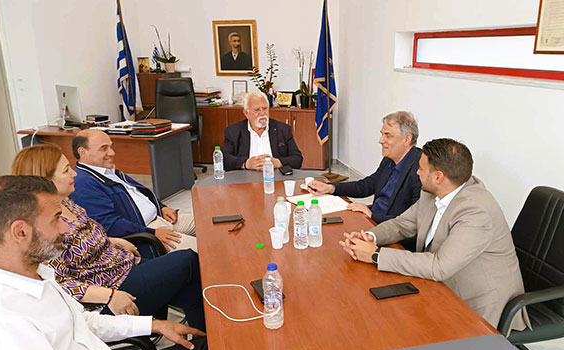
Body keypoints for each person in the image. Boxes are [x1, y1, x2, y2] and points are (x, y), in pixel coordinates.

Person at [0, 175, 210, 350]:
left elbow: (82, 321)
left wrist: (153, 325)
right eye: (56, 219)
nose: (65, 229)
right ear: (20, 232)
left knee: (217, 345)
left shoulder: (37, 275)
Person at [11, 144, 205, 331]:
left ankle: (204, 341)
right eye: (66, 170)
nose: (74, 174)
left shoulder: (66, 203)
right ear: (44, 179)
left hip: (122, 267)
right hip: (111, 290)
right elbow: (55, 283)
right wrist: (109, 296)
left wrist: (113, 241)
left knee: (190, 286)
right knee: (187, 259)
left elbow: (80, 239)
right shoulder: (42, 225)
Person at [339, 138, 528, 331]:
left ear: (438, 177)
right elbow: (403, 223)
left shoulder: (475, 211)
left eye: (421, 168)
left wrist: (375, 255)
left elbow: (439, 266)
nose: (416, 172)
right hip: (441, 285)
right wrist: (370, 237)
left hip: (479, 304)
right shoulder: (433, 191)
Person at [69, 129, 197, 253]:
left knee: (207, 221)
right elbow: (109, 224)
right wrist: (152, 233)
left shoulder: (107, 172)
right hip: (146, 233)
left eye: (111, 147)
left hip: (161, 218)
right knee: (202, 249)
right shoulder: (83, 183)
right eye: (104, 148)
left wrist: (162, 207)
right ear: (83, 152)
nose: (112, 153)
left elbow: (139, 193)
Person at [308, 111, 422, 223]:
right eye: (382, 134)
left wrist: (372, 216)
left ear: (407, 139)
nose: (381, 141)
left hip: (390, 227)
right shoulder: (390, 159)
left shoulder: (421, 169)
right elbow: (366, 186)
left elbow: (413, 222)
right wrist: (331, 188)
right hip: (374, 217)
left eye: (388, 135)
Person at [222, 91, 303, 171]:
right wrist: (246, 163)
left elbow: (297, 159)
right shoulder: (233, 131)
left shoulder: (283, 130)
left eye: (265, 109)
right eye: (257, 110)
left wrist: (278, 162)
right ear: (246, 113)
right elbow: (225, 160)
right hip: (245, 177)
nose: (262, 113)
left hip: (276, 176)